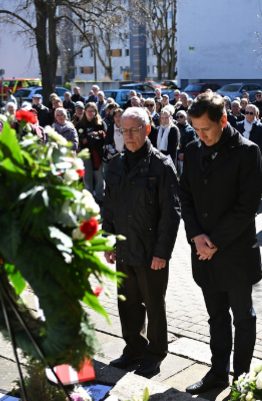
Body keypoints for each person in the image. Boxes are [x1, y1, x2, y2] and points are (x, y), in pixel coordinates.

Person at [178, 92, 262, 395]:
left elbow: (246, 207)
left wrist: (213, 240)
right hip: (204, 254)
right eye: (196, 130)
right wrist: (195, 236)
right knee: (216, 318)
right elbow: (184, 196)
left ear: (223, 120)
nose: (201, 136)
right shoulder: (192, 149)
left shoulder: (247, 152)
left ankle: (241, 380)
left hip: (235, 254)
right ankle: (217, 373)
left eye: (206, 130)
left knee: (242, 317)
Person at [102, 106, 181, 379]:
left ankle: (155, 354)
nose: (129, 136)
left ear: (147, 129)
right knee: (128, 303)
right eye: (124, 130)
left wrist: (162, 253)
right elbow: (108, 207)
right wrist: (107, 241)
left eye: (134, 130)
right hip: (124, 249)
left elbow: (171, 213)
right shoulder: (115, 165)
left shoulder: (161, 165)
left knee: (154, 305)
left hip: (151, 253)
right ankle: (134, 348)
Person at [76, 102, 107, 200]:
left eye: (92, 111)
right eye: (88, 111)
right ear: (85, 112)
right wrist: (82, 140)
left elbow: (105, 136)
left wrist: (95, 135)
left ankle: (100, 196)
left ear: (95, 112)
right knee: (87, 176)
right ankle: (88, 197)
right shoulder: (80, 124)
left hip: (97, 152)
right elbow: (77, 137)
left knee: (99, 176)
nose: (90, 113)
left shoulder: (101, 123)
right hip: (86, 153)